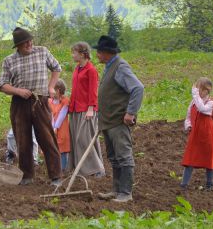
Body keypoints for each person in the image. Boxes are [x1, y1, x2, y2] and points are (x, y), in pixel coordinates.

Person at [0, 27, 63, 186]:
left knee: (47, 138)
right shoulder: (9, 61)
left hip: (40, 100)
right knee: (23, 139)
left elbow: (56, 68)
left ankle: (56, 176)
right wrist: (18, 91)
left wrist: (51, 87)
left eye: (30, 41)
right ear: (18, 46)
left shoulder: (42, 51)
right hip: (20, 103)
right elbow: (2, 85)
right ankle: (27, 175)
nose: (29, 44)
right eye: (24, 42)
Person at [94, 36, 144, 203]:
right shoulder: (109, 67)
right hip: (108, 121)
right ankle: (116, 190)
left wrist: (130, 112)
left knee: (124, 156)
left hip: (118, 121)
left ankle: (125, 193)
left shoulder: (120, 67)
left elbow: (138, 88)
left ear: (107, 53)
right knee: (114, 157)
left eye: (99, 51)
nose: (97, 54)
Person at [67, 42, 105, 177]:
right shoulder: (77, 69)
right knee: (75, 139)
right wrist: (70, 106)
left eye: (74, 52)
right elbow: (75, 90)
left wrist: (90, 108)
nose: (72, 55)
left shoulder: (91, 70)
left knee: (84, 139)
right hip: (76, 109)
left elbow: (93, 91)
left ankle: (97, 169)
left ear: (83, 54)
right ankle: (81, 169)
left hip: (86, 110)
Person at [180, 77, 213, 190]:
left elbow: (202, 108)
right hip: (195, 133)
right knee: (190, 158)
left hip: (207, 135)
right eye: (197, 90)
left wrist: (195, 96)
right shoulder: (193, 102)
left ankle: (210, 184)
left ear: (207, 90)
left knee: (208, 158)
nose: (198, 92)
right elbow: (188, 117)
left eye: (200, 90)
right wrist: (188, 125)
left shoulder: (210, 103)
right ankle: (184, 184)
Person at [49, 79, 70, 172]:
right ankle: (55, 168)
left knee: (62, 148)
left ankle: (63, 168)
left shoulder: (65, 101)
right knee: (53, 147)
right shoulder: (50, 101)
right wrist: (52, 127)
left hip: (61, 128)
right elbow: (51, 115)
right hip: (52, 127)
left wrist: (55, 127)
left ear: (57, 90)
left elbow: (61, 115)